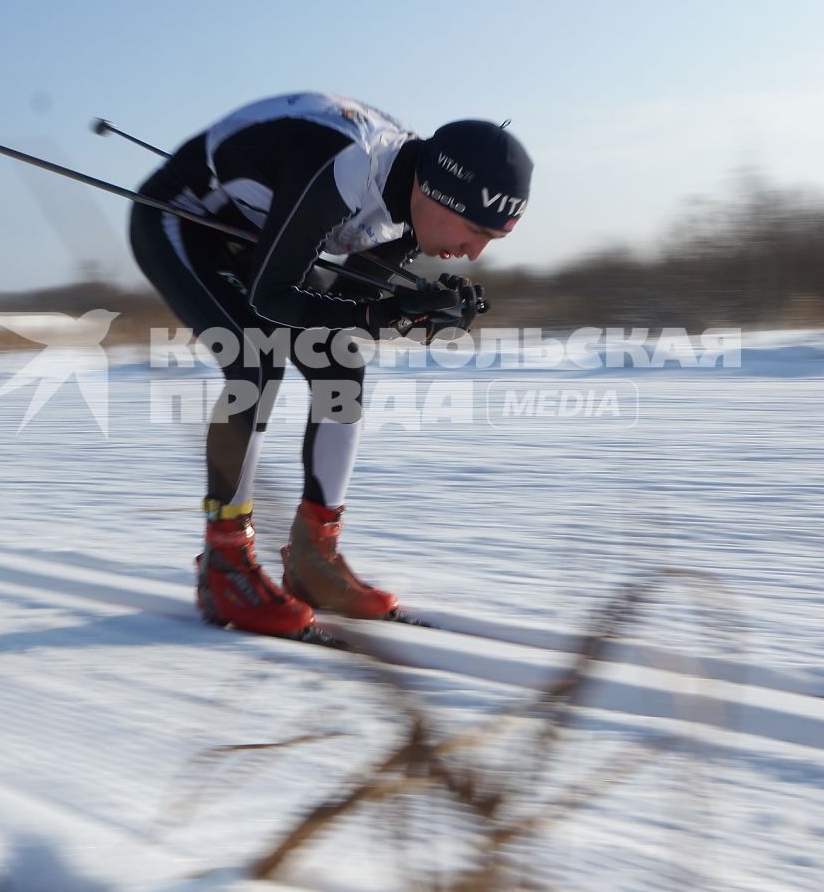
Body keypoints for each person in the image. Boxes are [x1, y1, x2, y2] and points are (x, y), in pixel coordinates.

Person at [128, 92, 533, 638]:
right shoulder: (348, 168)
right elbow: (275, 298)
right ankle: (225, 563)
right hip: (185, 220)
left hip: (263, 237)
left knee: (339, 362)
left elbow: (344, 305)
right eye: (476, 231)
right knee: (256, 360)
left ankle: (314, 558)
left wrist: (420, 308)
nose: (476, 251)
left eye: (493, 238)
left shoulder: (416, 194)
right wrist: (385, 310)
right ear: (437, 194)